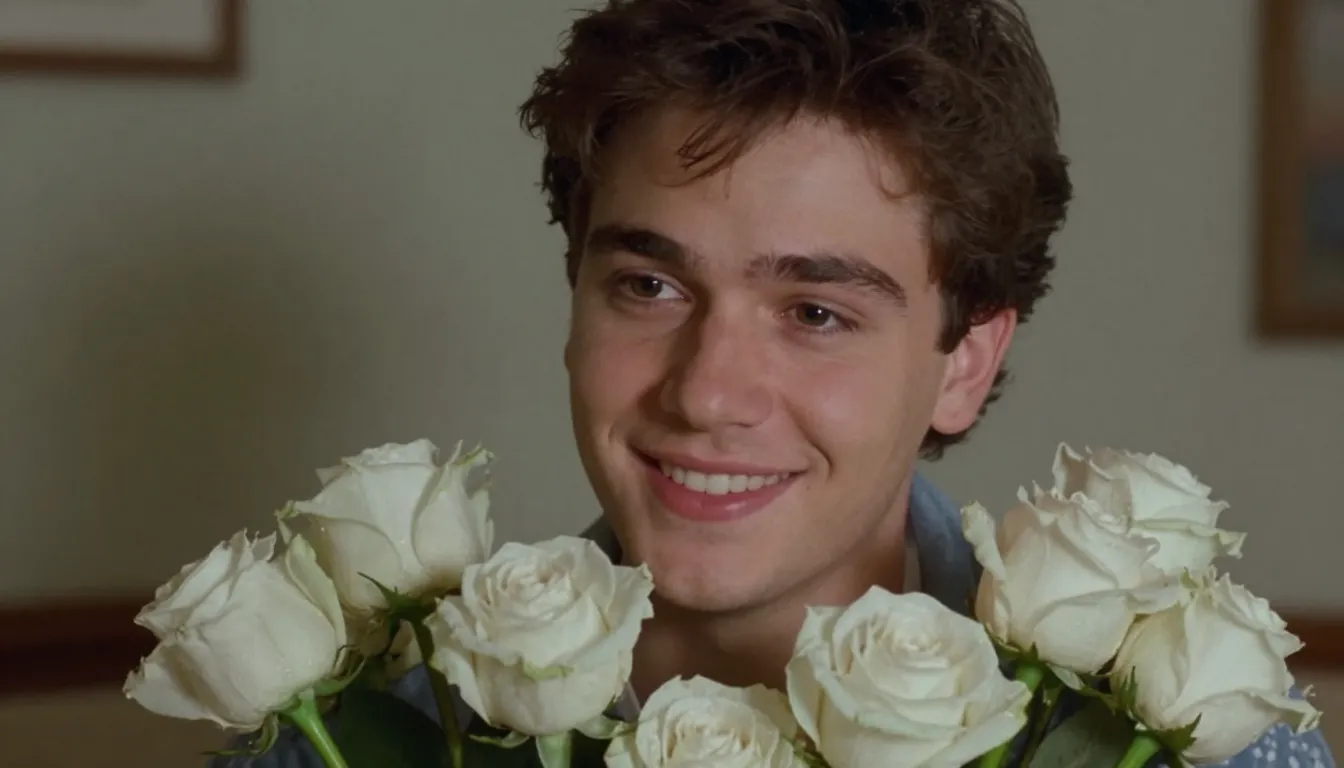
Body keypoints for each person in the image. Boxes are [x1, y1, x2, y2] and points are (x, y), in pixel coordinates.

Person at [216, 1, 1333, 766]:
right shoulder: (346, 740)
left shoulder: (1195, 743)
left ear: (965, 363)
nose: (708, 393)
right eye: (650, 286)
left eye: (815, 313)